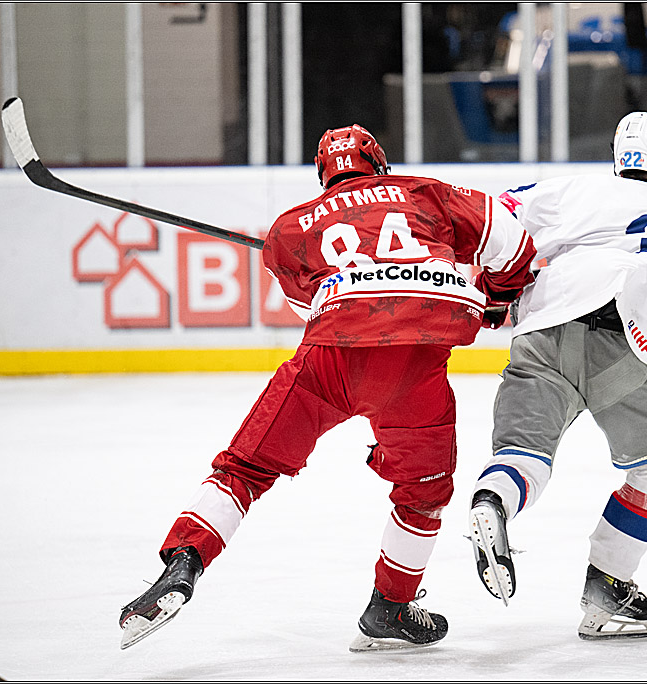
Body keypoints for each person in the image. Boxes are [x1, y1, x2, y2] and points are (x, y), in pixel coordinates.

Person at [118, 124, 536, 652]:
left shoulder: (290, 230)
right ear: (379, 163)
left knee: (244, 468)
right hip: (413, 365)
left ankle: (184, 561)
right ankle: (391, 606)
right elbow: (515, 246)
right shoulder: (427, 193)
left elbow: (312, 309)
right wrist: (495, 300)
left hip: (328, 360)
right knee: (424, 491)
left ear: (323, 175)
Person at [467, 111, 647, 639]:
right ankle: (608, 587)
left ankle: (493, 500)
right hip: (620, 348)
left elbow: (492, 219)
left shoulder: (573, 190)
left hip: (542, 330)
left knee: (521, 455)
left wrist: (494, 289)